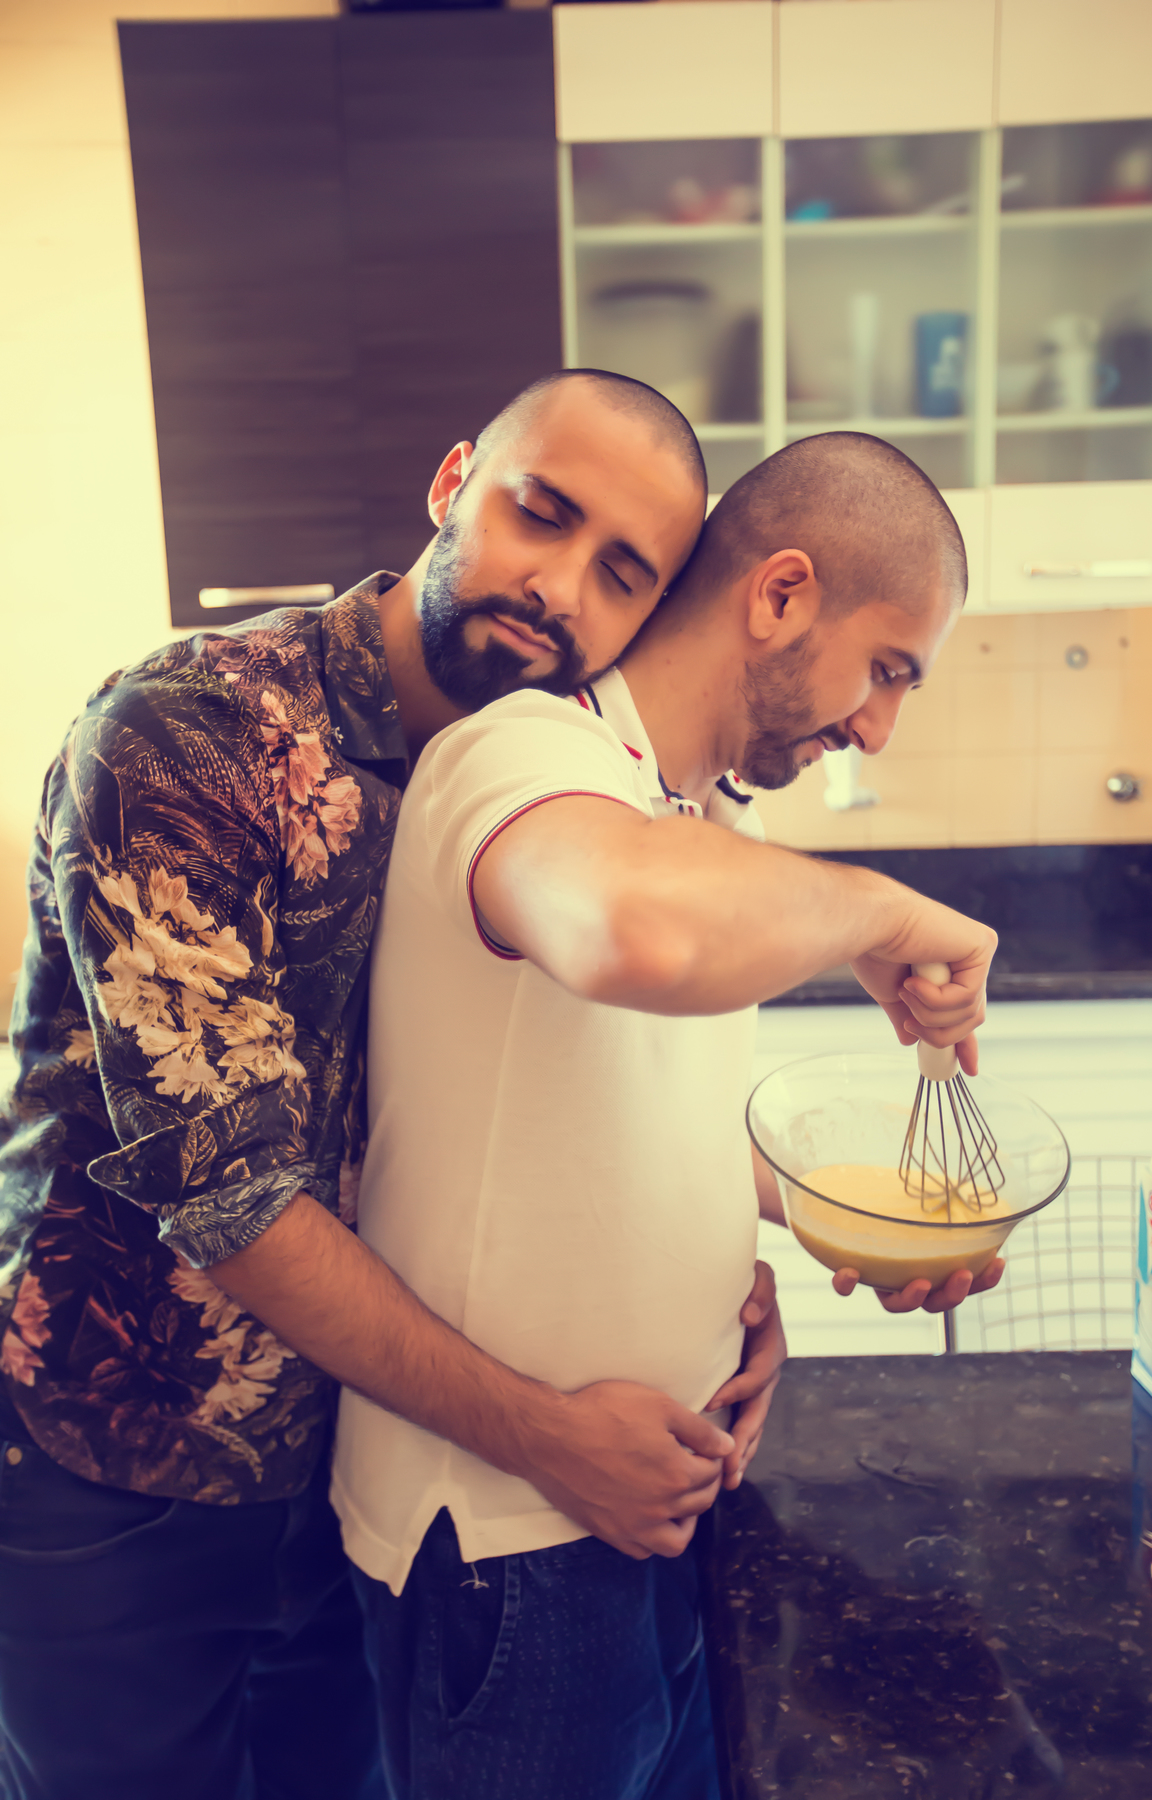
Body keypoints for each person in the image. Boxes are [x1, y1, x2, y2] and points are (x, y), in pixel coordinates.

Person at [0, 371, 789, 1800]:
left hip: (363, 1455)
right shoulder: (192, 733)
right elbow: (227, 1199)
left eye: (621, 573)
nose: (556, 589)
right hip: (123, 1462)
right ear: (452, 482)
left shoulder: (555, 787)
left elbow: (572, 1103)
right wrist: (549, 1439)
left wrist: (720, 1285)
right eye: (537, 515)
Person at [329, 428, 1005, 1800]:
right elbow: (623, 927)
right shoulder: (523, 753)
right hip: (508, 1550)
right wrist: (877, 905)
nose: (878, 727)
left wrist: (823, 1229)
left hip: (662, 1510)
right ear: (782, 595)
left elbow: (635, 1115)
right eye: (888, 670)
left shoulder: (697, 822)